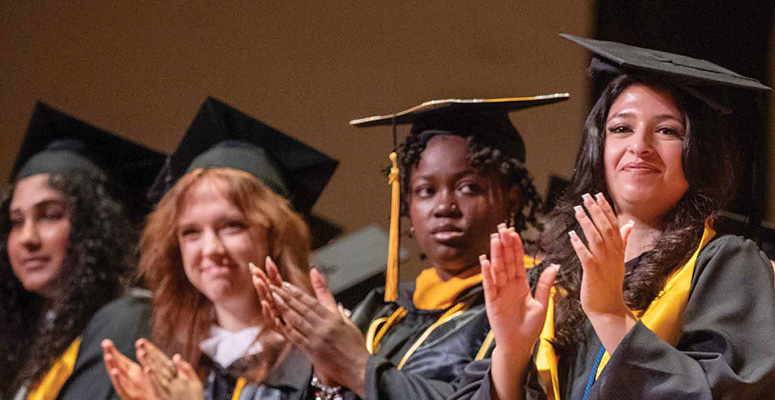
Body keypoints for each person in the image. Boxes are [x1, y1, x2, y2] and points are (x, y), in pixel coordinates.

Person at [452, 35, 775, 400]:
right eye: (621, 128)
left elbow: (726, 392)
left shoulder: (728, 265)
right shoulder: (554, 275)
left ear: (699, 150)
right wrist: (510, 355)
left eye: (668, 130)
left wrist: (610, 314)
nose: (639, 146)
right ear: (599, 146)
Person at [254, 94, 568, 400]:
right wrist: (326, 372)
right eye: (426, 190)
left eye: (469, 187)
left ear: (511, 199)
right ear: (407, 204)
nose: (444, 206)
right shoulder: (383, 311)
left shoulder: (537, 302)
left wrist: (357, 368)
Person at [101, 96, 337, 400]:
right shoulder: (167, 358)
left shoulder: (321, 357)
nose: (210, 249)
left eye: (232, 226)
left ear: (277, 236)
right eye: (191, 232)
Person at [0, 102, 165, 400]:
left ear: (96, 228)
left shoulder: (127, 321)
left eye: (50, 215)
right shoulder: (41, 338)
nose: (27, 238)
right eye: (16, 221)